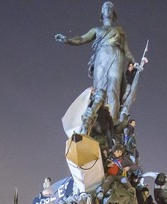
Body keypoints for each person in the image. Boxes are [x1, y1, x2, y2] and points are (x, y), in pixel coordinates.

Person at [55, 1, 135, 133]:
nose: (108, 8)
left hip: (116, 58)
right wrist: (67, 40)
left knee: (113, 91)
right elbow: (81, 39)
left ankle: (112, 125)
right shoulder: (97, 30)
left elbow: (127, 52)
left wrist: (135, 63)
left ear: (113, 14)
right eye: (105, 7)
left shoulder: (120, 31)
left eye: (110, 7)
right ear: (102, 14)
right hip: (100, 60)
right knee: (99, 91)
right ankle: (97, 123)